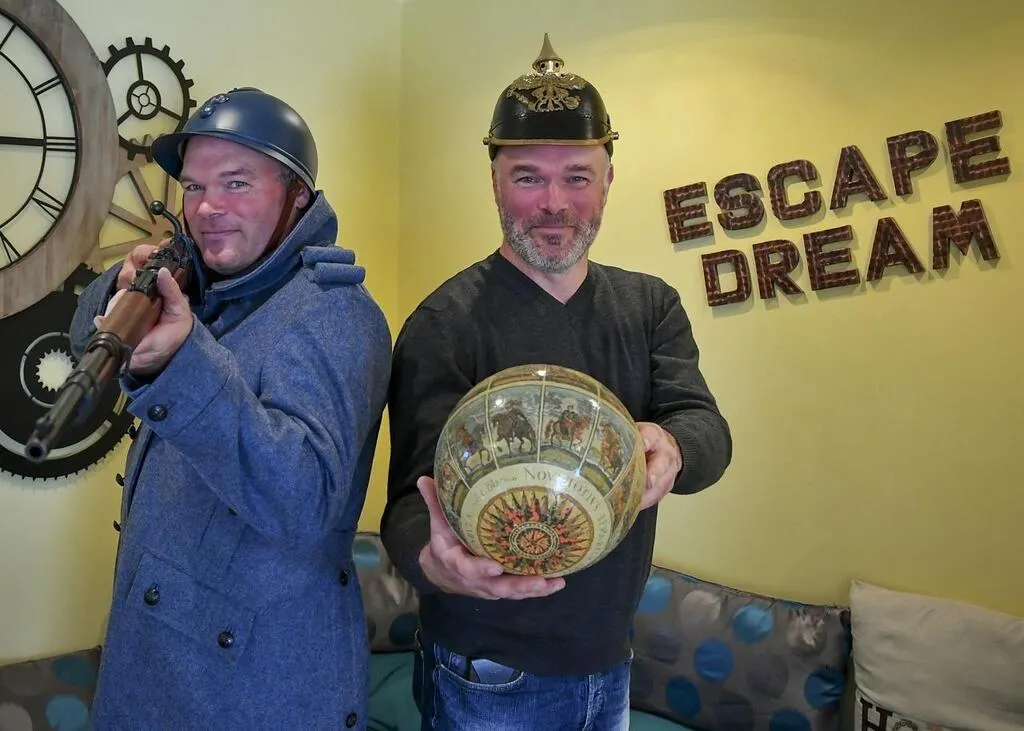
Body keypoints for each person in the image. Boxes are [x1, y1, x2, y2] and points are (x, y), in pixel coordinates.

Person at [380, 35, 733, 731]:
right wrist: (437, 563)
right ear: (494, 181)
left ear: (608, 179)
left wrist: (673, 446)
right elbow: (406, 505)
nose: (553, 203)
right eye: (527, 177)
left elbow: (706, 429)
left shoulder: (650, 306)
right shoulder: (443, 323)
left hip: (612, 659)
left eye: (576, 176)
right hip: (485, 671)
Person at [69, 87, 392, 729]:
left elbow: (299, 500)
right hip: (157, 670)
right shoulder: (210, 289)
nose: (208, 207)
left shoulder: (333, 315)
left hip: (249, 690)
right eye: (193, 187)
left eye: (236, 183)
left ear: (298, 197)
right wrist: (124, 286)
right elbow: (88, 343)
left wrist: (181, 362)